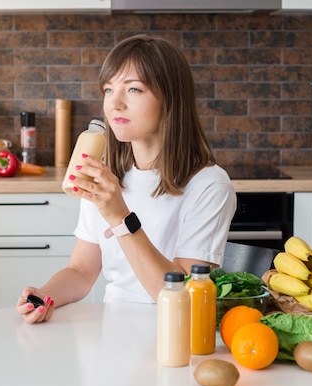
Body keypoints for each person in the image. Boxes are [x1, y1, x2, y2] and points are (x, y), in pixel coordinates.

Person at [16, 34, 237, 323]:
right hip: (113, 330)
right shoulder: (104, 176)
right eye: (109, 90)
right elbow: (82, 272)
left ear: (170, 99)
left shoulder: (209, 185)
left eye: (133, 90)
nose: (115, 104)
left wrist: (121, 218)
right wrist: (45, 296)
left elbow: (182, 297)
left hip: (174, 335)